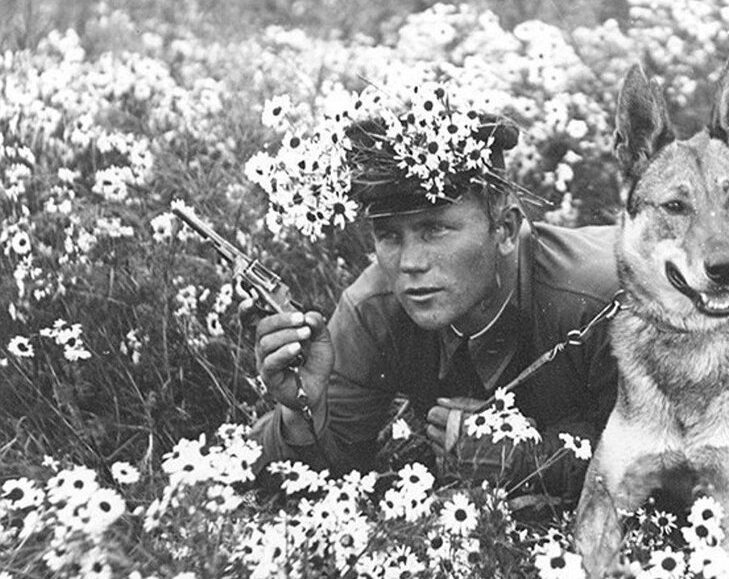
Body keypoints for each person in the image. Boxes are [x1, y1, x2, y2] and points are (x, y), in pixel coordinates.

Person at [247, 112, 620, 502]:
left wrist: (530, 459)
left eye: (434, 230)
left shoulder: (605, 303)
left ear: (506, 229)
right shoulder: (375, 307)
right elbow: (318, 470)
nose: (410, 263)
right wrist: (302, 415)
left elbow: (677, 465)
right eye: (389, 235)